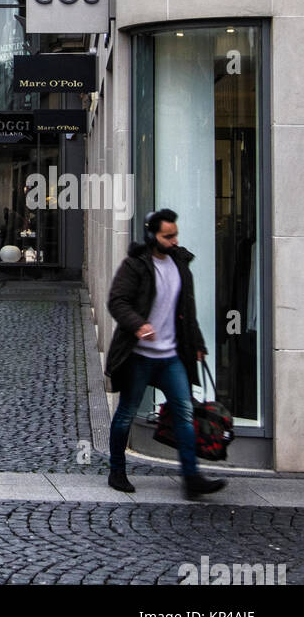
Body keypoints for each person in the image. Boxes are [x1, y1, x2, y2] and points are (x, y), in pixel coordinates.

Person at [105, 209, 226, 500]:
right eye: (167, 236)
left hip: (171, 356)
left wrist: (197, 344)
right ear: (152, 236)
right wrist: (138, 325)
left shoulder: (180, 263)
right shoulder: (135, 266)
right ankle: (117, 469)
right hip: (139, 356)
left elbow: (187, 309)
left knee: (184, 413)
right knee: (126, 413)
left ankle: (191, 477)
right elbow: (117, 301)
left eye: (175, 235)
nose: (173, 241)